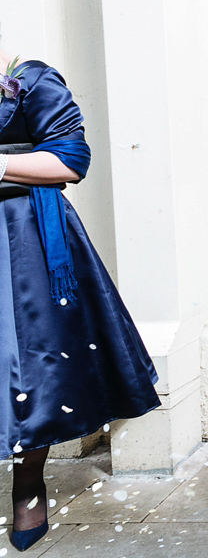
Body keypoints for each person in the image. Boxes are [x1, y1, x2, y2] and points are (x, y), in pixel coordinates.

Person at [0, 50, 160, 552]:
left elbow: (71, 159)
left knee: (32, 364)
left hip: (20, 237)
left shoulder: (30, 78)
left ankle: (27, 484)